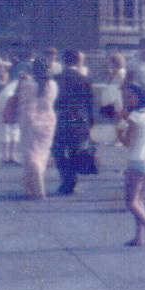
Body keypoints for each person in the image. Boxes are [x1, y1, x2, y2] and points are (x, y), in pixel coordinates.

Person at [118, 82, 145, 247]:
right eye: (125, 97)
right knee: (139, 200)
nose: (127, 100)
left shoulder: (134, 117)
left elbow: (127, 142)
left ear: (138, 97)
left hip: (137, 161)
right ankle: (139, 237)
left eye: (129, 97)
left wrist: (119, 131)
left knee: (131, 202)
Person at [51, 49, 96, 196]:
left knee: (58, 149)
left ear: (64, 60)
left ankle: (67, 178)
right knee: (75, 149)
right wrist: (91, 122)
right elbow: (90, 103)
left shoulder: (56, 79)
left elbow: (53, 101)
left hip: (63, 117)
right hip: (80, 118)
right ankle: (72, 176)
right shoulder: (85, 79)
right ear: (78, 61)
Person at [18, 57, 59, 199]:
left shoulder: (28, 84)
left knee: (31, 155)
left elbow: (21, 99)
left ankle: (39, 189)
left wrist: (21, 81)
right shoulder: (53, 84)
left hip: (30, 122)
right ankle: (30, 187)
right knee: (42, 154)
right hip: (48, 122)